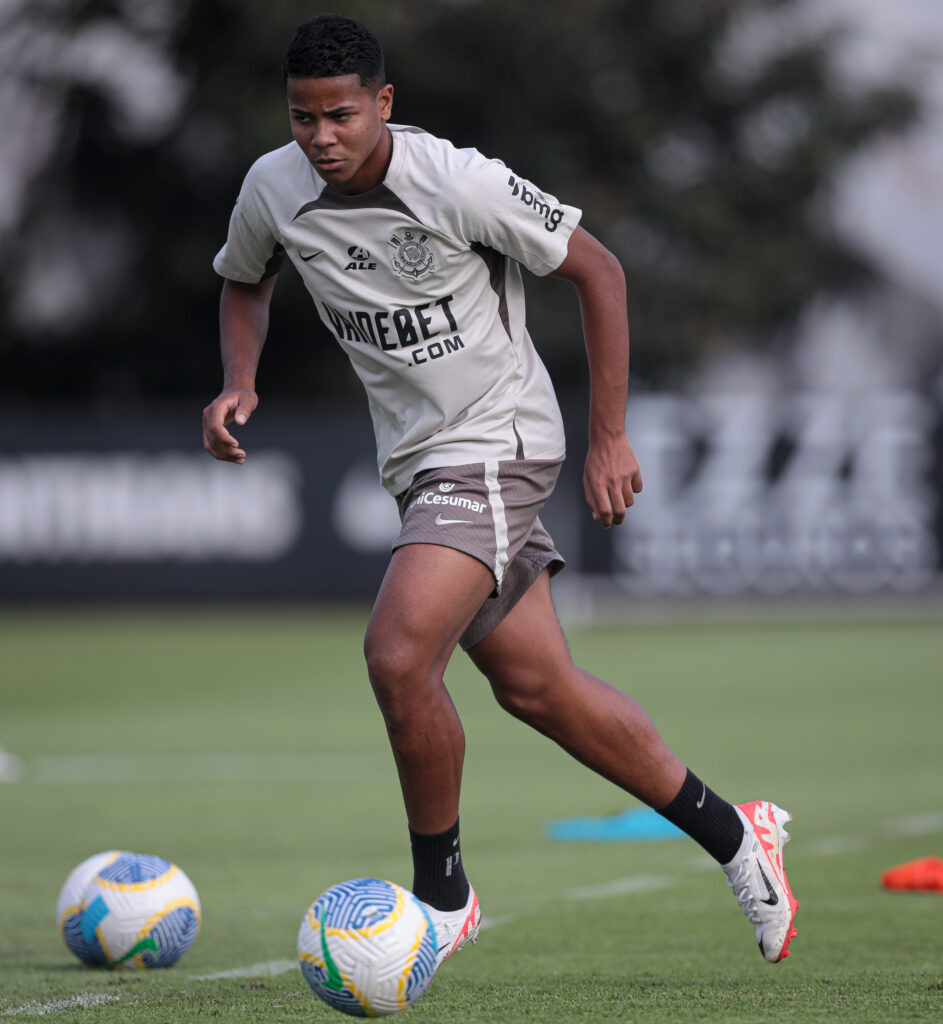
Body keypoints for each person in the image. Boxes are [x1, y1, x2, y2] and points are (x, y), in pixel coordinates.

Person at [202, 13, 798, 968]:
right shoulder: (272, 188)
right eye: (303, 119)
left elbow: (598, 271)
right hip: (418, 463)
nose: (321, 138)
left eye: (341, 116)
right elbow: (243, 279)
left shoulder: (455, 179)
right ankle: (739, 836)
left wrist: (609, 437)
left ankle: (443, 900)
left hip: (496, 441)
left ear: (383, 104)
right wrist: (240, 379)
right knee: (539, 689)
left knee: (398, 656)